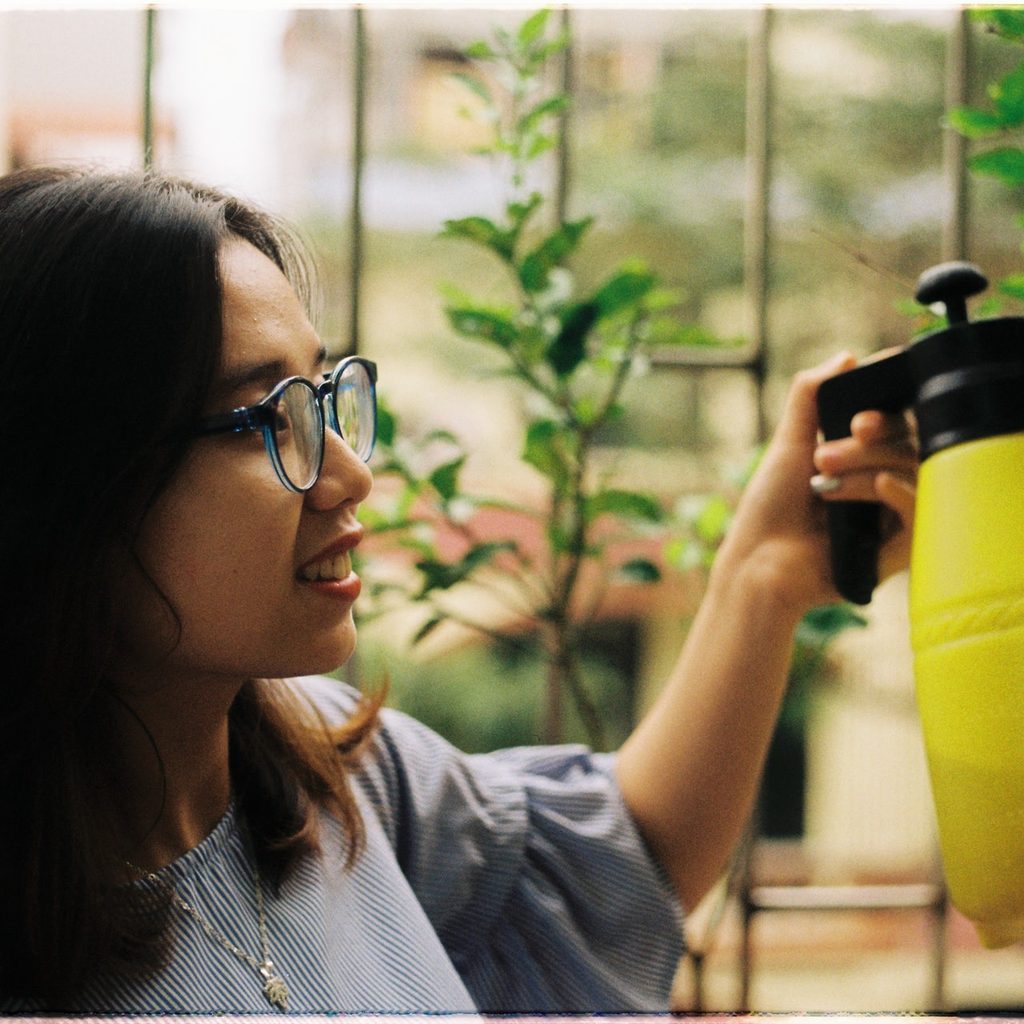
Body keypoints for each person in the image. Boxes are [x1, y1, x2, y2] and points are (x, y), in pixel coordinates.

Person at [0, 165, 917, 1014]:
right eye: (264, 421)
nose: (350, 475)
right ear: (71, 482)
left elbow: (617, 869)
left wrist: (761, 577)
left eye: (320, 398)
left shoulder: (333, 775)